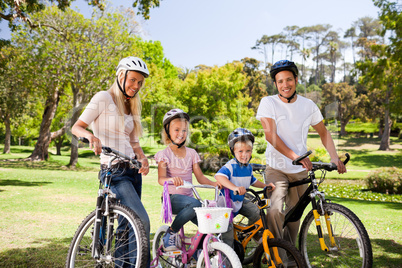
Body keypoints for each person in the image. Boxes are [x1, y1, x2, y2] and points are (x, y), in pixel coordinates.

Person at [256, 59, 347, 245]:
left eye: (288, 79)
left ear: (296, 80)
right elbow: (270, 136)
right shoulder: (268, 103)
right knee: (274, 211)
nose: (285, 85)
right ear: (275, 84)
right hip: (277, 168)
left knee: (294, 217)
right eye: (280, 81)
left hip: (300, 171)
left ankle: (291, 258)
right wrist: (294, 156)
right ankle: (277, 258)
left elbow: (324, 133)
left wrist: (335, 157)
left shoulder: (308, 106)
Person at [71, 56, 151, 267]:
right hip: (114, 172)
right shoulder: (103, 98)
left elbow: (133, 142)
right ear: (121, 75)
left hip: (132, 171)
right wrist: (91, 137)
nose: (136, 86)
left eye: (140, 83)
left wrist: (143, 158)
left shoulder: (130, 106)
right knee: (141, 222)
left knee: (126, 228)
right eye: (133, 80)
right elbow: (77, 127)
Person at [154, 108, 220, 251]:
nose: (181, 134)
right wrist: (172, 180)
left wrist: (214, 183)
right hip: (172, 199)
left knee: (206, 226)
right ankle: (170, 233)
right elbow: (161, 179)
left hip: (190, 200)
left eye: (184, 130)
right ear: (167, 132)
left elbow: (200, 177)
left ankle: (197, 257)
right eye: (177, 130)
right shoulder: (164, 154)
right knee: (195, 204)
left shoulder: (192, 153)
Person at [215, 128, 275, 248]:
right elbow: (219, 176)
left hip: (239, 201)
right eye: (240, 151)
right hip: (226, 204)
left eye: (248, 151)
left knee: (256, 213)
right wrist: (234, 187)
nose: (244, 155)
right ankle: (228, 260)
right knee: (228, 232)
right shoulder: (231, 166)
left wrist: (265, 186)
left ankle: (252, 235)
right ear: (233, 151)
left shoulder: (248, 167)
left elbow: (252, 180)